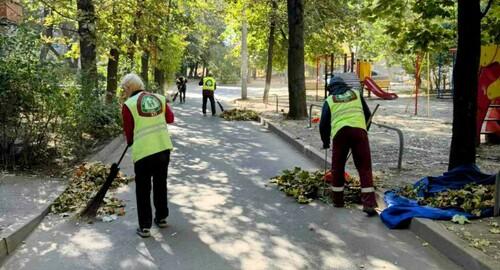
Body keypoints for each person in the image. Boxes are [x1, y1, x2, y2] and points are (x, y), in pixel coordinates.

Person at [121, 73, 175, 237]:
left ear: (130, 88)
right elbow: (170, 118)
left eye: (124, 89)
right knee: (160, 184)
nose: (123, 92)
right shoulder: (159, 98)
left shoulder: (128, 105)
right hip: (163, 148)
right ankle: (162, 218)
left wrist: (131, 141)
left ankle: (145, 227)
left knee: (143, 189)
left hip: (144, 152)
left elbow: (129, 132)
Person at [319, 76, 377, 216]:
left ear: (330, 88)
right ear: (344, 85)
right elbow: (368, 115)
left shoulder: (330, 100)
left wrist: (326, 142)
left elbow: (323, 124)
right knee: (364, 167)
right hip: (359, 132)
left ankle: (338, 201)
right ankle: (368, 204)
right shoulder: (356, 94)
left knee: (337, 167)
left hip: (340, 134)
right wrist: (363, 131)